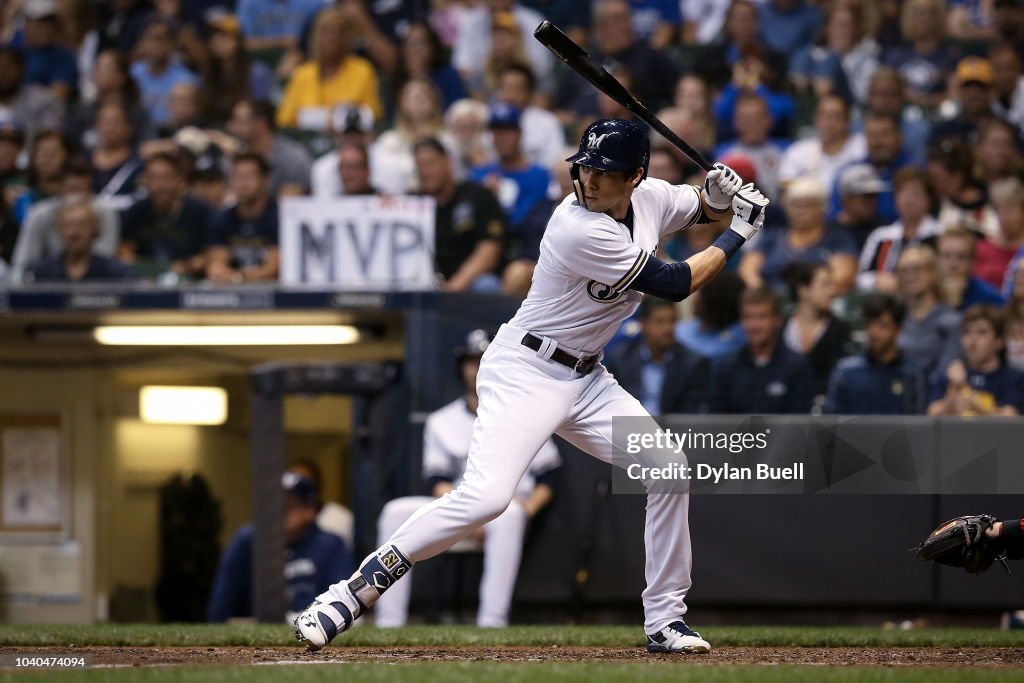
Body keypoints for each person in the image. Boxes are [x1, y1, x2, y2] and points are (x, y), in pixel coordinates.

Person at [294, 118, 767, 654]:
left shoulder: (654, 195)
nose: (588, 179)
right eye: (583, 167)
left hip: (588, 378)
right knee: (487, 498)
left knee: (668, 469)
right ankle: (352, 592)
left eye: (603, 171)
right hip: (526, 371)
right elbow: (676, 283)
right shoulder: (576, 227)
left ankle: (665, 619)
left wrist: (716, 196)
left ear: (635, 176)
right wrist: (739, 231)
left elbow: (698, 208)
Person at [375, 330, 560, 628]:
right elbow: (437, 479)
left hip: (505, 511)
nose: (478, 369)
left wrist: (528, 510)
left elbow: (549, 479)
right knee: (394, 511)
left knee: (511, 513)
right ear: (462, 367)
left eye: (484, 361)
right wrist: (468, 515)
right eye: (472, 362)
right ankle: (388, 620)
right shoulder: (441, 421)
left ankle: (492, 621)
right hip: (460, 506)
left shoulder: (524, 414)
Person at [207, 471, 354, 623]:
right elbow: (220, 607)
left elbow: (344, 604)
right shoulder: (246, 541)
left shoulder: (330, 545)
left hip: (313, 631)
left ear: (310, 510)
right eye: (274, 505)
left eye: (290, 505)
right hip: (251, 634)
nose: (280, 512)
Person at [414, 137, 505, 293]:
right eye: (419, 167)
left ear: (447, 161)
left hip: (471, 282)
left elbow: (490, 248)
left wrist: (454, 287)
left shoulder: (478, 195)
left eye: (429, 164)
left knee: (486, 285)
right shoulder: (412, 203)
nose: (425, 172)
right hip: (426, 284)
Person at [739, 176, 857, 294]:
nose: (801, 211)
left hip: (815, 301)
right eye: (795, 205)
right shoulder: (772, 236)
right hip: (770, 299)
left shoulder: (837, 238)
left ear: (822, 207)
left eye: (808, 205)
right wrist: (764, 292)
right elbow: (748, 269)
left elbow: (843, 276)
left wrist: (807, 296)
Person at [708, 286, 816, 415]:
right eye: (748, 317)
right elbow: (715, 421)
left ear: (777, 320)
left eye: (762, 317)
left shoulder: (797, 367)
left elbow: (800, 424)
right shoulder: (725, 367)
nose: (754, 325)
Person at [10, 158, 120, 279]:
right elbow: (22, 263)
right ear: (59, 189)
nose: (76, 198)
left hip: (95, 280)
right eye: (71, 190)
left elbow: (106, 258)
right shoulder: (39, 214)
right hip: (49, 279)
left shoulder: (104, 212)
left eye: (81, 191)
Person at [275, 7, 382, 129]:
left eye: (338, 32)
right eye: (326, 32)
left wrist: (316, 117)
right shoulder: (302, 74)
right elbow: (284, 120)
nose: (332, 39)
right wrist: (326, 117)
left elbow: (372, 114)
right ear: (316, 37)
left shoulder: (362, 70)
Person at [605, 297, 711, 415]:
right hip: (629, 428)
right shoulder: (621, 359)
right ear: (643, 323)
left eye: (672, 321)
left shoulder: (693, 364)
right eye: (660, 322)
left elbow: (689, 416)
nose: (668, 328)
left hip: (672, 431)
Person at [825, 294, 927, 415]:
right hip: (853, 434)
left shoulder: (912, 374)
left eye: (882, 326)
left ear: (898, 330)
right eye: (870, 324)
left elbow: (919, 424)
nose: (874, 332)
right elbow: (832, 422)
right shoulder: (846, 371)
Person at [119, 152, 212, 279]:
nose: (160, 185)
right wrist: (158, 269)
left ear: (180, 179)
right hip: (145, 278)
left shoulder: (200, 211)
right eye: (154, 178)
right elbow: (124, 254)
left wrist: (185, 266)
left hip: (189, 279)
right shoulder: (136, 211)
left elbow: (210, 256)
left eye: (166, 177)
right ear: (145, 181)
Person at [927, 305, 1024, 416]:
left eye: (981, 333)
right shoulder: (951, 374)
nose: (972, 341)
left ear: (999, 341)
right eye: (966, 332)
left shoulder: (1014, 378)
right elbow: (932, 414)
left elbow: (1010, 419)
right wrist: (953, 391)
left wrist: (974, 402)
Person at [857, 168, 941, 292]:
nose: (908, 200)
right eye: (903, 193)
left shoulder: (939, 234)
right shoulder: (881, 236)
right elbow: (861, 277)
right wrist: (877, 280)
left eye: (915, 193)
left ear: (929, 199)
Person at [470, 104, 550, 232]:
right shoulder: (479, 174)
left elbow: (525, 222)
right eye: (497, 133)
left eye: (507, 132)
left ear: (519, 134)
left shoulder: (539, 175)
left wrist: (493, 203)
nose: (501, 139)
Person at [781, 262, 851, 403]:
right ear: (803, 290)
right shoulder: (780, 327)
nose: (832, 291)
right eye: (825, 285)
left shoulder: (840, 330)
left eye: (832, 285)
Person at [205, 153, 279, 284]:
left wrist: (238, 277)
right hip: (232, 292)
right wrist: (222, 273)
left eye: (249, 176)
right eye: (237, 177)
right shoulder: (222, 218)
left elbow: (274, 268)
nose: (243, 183)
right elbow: (217, 263)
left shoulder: (279, 217)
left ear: (265, 181)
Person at [25, 195, 134, 283]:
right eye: (68, 225)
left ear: (95, 231)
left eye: (81, 225)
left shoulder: (116, 273)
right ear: (59, 231)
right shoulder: (42, 272)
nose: (74, 233)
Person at [778, 95, 865, 204]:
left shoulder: (862, 147)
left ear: (848, 120)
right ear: (816, 119)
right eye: (824, 116)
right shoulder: (798, 151)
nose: (829, 122)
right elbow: (785, 192)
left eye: (836, 116)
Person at [895, 245, 963, 377]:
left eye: (917, 268)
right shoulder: (894, 319)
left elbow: (948, 370)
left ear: (932, 273)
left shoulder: (952, 322)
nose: (910, 275)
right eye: (904, 270)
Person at [227, 99, 311, 197]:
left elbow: (291, 203)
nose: (231, 127)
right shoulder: (236, 153)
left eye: (239, 121)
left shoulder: (292, 157)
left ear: (261, 123)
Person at [130, 17, 199, 129]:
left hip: (172, 133)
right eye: (149, 38)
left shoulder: (187, 79)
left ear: (172, 43)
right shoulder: (133, 73)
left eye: (160, 39)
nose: (154, 44)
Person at [937, 228, 1005, 311]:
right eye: (947, 256)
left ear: (973, 262)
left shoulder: (989, 297)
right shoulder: (927, 293)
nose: (953, 264)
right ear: (937, 259)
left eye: (961, 257)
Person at [831, 163, 886, 251]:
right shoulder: (830, 232)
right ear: (846, 199)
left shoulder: (884, 230)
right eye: (864, 197)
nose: (870, 202)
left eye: (873, 196)